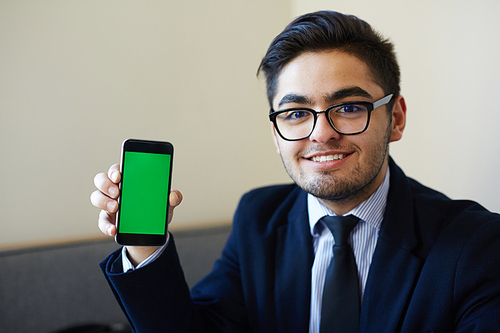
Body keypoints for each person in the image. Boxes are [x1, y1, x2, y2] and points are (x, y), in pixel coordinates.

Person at [91, 10, 500, 332]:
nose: (321, 133)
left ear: (395, 118)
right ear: (275, 132)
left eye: (350, 107)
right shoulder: (258, 218)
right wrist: (146, 244)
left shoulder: (477, 246)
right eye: (296, 113)